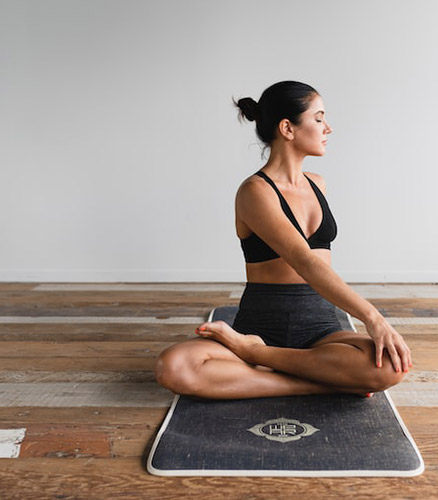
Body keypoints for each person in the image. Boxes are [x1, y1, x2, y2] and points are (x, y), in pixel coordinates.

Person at [155, 81, 412, 399]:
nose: (327, 128)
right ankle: (314, 379)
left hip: (320, 328)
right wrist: (373, 317)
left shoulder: (318, 184)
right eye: (318, 118)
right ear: (288, 128)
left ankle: (260, 358)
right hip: (260, 326)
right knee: (175, 367)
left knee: (391, 365)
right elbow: (304, 261)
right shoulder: (254, 192)